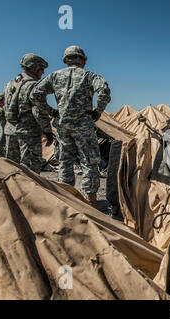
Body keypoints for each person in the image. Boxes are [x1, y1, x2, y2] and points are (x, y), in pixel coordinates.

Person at [31, 46, 111, 210]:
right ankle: (91, 202)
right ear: (82, 59)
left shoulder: (54, 76)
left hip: (63, 126)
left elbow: (35, 95)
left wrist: (52, 112)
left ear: (66, 60)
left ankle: (66, 201)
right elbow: (104, 91)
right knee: (89, 162)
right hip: (83, 125)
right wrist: (98, 112)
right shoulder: (88, 76)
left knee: (65, 161)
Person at [3, 54, 54, 172]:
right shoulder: (33, 86)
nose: (42, 73)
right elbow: (38, 110)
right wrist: (47, 130)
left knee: (11, 171)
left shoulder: (10, 84)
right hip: (28, 133)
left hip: (10, 131)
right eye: (41, 69)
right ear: (33, 68)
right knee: (30, 172)